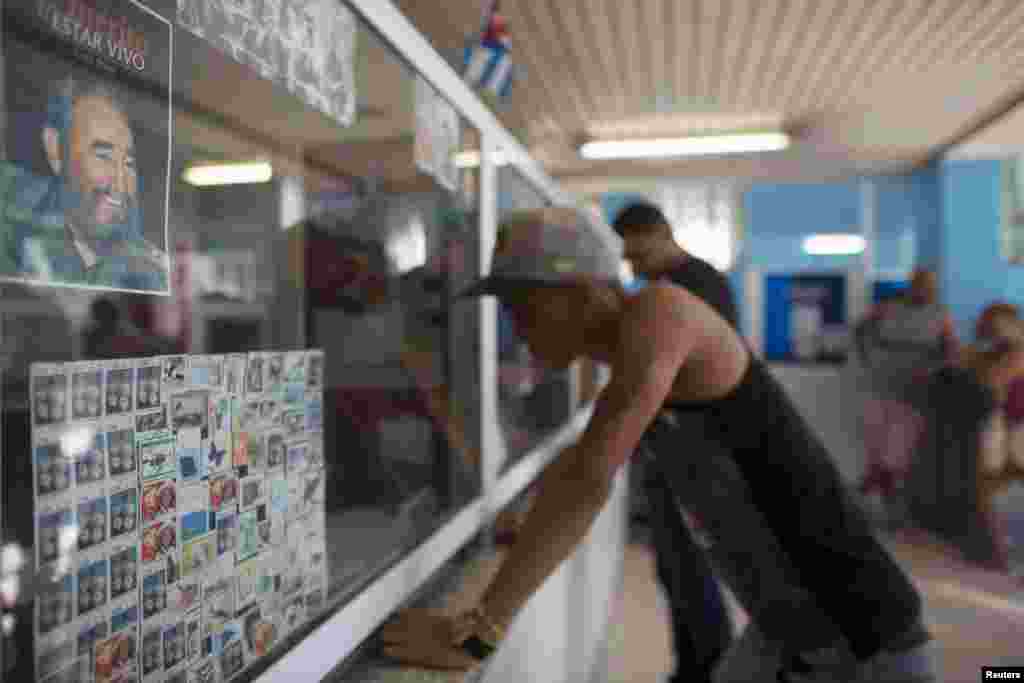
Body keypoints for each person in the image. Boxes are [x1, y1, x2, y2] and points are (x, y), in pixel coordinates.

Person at [380, 208, 940, 682]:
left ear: (582, 291)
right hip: (788, 635)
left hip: (867, 639)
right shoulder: (630, 362)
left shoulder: (661, 315)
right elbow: (584, 460)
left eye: (522, 304)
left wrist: (479, 631)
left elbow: (587, 475)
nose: (514, 325)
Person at [611, 201, 737, 681]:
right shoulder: (671, 286)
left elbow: (686, 376)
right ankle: (692, 668)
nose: (635, 268)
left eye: (639, 256)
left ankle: (706, 670)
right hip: (675, 445)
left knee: (689, 569)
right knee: (675, 570)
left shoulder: (696, 287)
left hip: (696, 448)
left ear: (663, 232)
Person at [0, 74, 168, 291]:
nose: (120, 185)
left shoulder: (149, 272)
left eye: (128, 163)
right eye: (103, 156)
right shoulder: (13, 207)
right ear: (55, 149)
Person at [853, 268, 958, 525]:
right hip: (879, 386)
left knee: (896, 455)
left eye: (930, 286)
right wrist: (866, 357)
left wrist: (940, 369)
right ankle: (881, 503)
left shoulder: (940, 314)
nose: (926, 290)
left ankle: (870, 498)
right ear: (911, 285)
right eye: (921, 285)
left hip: (915, 392)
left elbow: (951, 347)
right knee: (879, 453)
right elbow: (859, 330)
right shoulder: (887, 308)